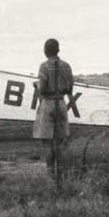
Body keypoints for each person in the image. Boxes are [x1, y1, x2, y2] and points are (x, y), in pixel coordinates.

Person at [33, 38, 74, 176]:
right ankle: (61, 175)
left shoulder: (44, 66)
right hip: (61, 103)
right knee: (60, 141)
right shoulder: (66, 66)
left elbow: (42, 88)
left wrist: (37, 85)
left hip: (48, 103)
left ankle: (51, 175)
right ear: (58, 50)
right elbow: (70, 88)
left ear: (45, 51)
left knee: (47, 142)